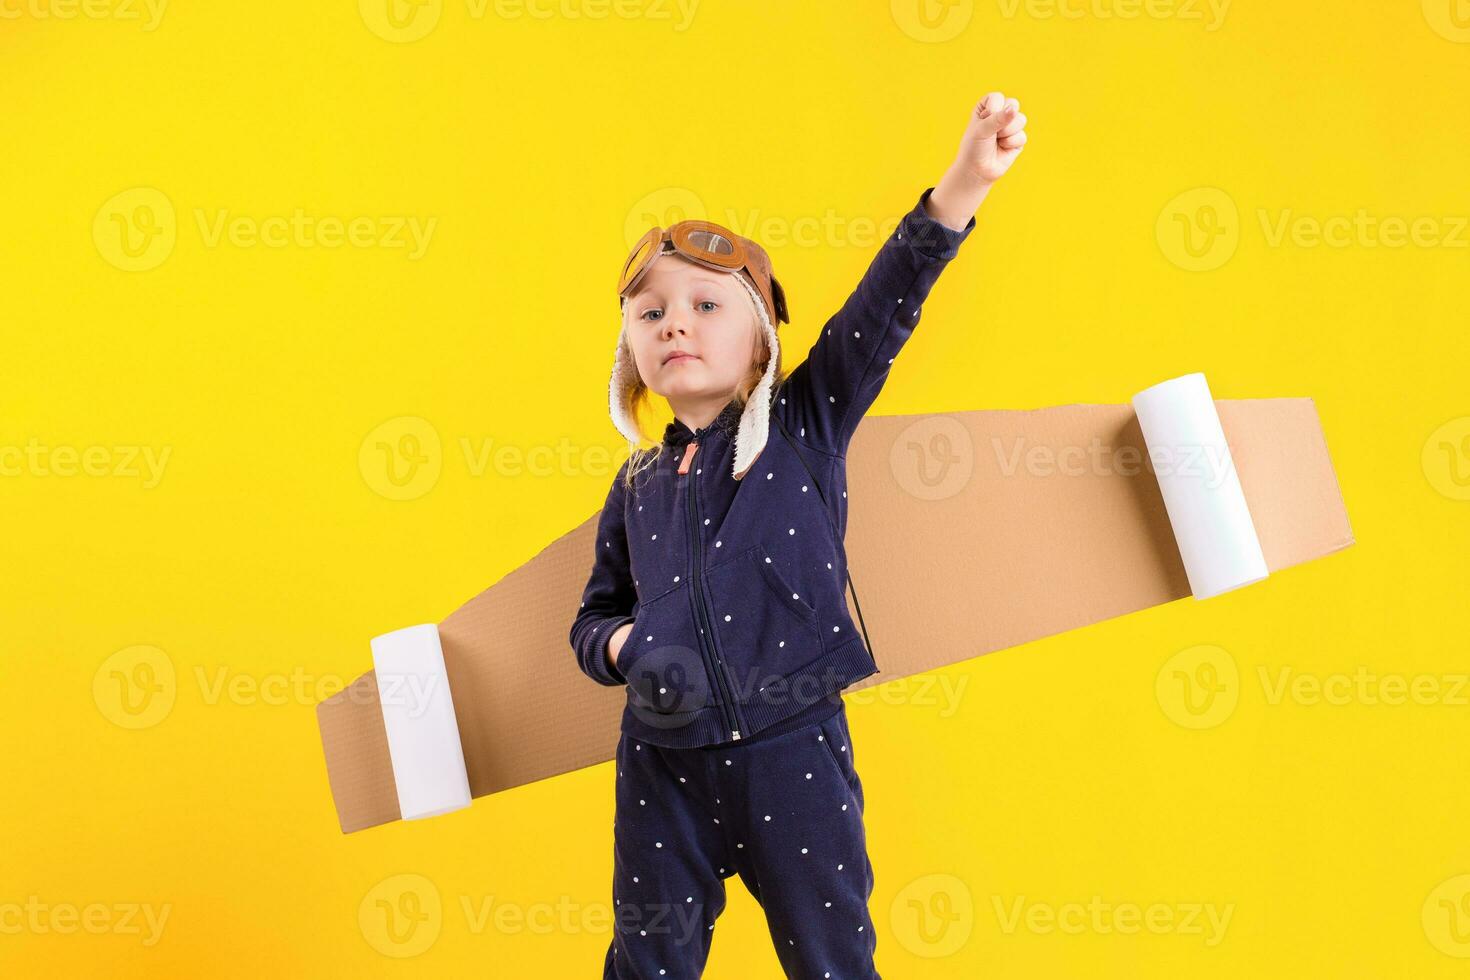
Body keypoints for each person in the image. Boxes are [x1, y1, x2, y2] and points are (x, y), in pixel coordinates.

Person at [570, 91, 1028, 979]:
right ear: (632, 355)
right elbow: (591, 620)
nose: (675, 324)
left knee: (832, 961)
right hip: (661, 764)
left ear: (759, 344)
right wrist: (623, 644)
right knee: (644, 962)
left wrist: (965, 180)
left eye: (707, 306)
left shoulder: (805, 426)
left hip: (794, 753)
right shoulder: (633, 487)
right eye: (651, 314)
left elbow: (887, 302)